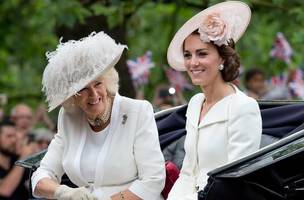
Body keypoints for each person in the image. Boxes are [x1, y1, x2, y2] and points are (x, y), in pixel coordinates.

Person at [31, 31, 165, 200]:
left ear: (107, 82)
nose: (94, 94)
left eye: (98, 84)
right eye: (83, 89)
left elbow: (153, 180)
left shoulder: (137, 111)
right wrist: (63, 192)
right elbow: (41, 175)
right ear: (72, 97)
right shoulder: (69, 118)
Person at [166, 1, 262, 199]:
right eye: (187, 55)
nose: (193, 62)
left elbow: (234, 181)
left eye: (202, 53)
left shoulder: (243, 107)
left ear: (222, 59)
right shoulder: (195, 103)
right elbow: (187, 173)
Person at [0, 120, 36, 200]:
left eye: (14, 136)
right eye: (9, 136)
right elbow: (4, 191)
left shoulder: (16, 160)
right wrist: (23, 156)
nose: (14, 140)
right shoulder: (20, 161)